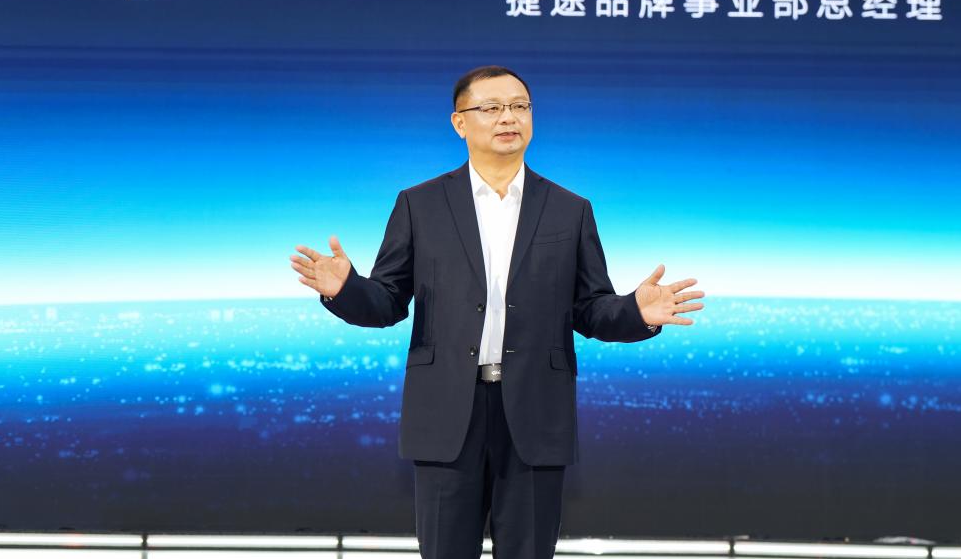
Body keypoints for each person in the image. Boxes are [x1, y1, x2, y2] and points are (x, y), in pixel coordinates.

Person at [289, 65, 705, 559]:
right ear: (459, 123)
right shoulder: (420, 204)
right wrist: (346, 289)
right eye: (491, 108)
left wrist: (638, 312)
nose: (509, 117)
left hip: (536, 412)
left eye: (519, 106)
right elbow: (387, 302)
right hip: (446, 412)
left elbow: (591, 309)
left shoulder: (570, 209)